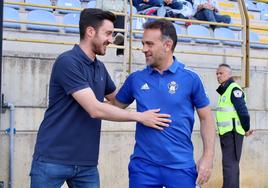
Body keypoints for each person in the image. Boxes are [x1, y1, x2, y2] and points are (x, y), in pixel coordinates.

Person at [29, 8, 171, 188]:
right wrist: (141, 117)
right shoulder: (67, 62)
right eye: (108, 33)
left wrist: (143, 80)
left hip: (86, 163)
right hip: (52, 160)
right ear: (90, 32)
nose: (111, 40)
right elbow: (95, 109)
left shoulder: (99, 68)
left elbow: (117, 103)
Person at [113, 19, 215, 188]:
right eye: (143, 43)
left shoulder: (191, 78)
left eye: (149, 44)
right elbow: (113, 108)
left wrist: (208, 157)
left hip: (181, 167)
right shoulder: (136, 79)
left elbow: (206, 118)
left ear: (167, 45)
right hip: (143, 167)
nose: (144, 49)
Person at [216, 64, 253, 188]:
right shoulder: (224, 91)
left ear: (229, 74)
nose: (218, 76)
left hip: (232, 133)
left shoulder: (233, 89)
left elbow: (243, 112)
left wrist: (246, 129)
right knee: (231, 165)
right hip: (226, 134)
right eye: (217, 73)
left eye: (221, 73)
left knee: (229, 166)